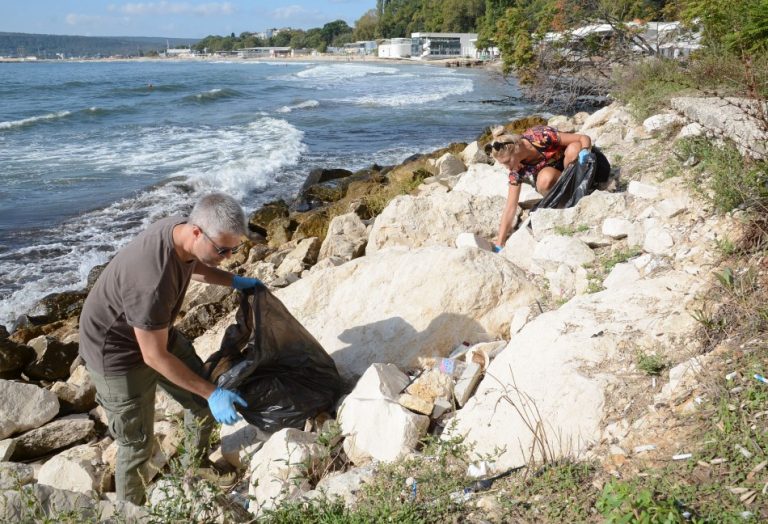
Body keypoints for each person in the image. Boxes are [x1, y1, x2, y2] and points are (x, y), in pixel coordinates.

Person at [78, 192, 263, 504]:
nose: (229, 255)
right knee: (137, 444)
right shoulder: (151, 280)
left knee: (202, 403)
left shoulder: (182, 234)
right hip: (116, 354)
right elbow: (152, 356)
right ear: (196, 231)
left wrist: (235, 281)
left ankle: (195, 468)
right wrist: (212, 393)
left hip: (152, 330)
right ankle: (130, 513)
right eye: (223, 249)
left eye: (234, 249)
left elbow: (196, 265)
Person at [485, 124, 593, 251]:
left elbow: (583, 138)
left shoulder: (541, 137)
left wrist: (585, 150)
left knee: (574, 147)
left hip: (572, 166)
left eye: (508, 161)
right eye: (503, 164)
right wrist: (500, 242)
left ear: (516, 149)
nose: (507, 167)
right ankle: (567, 201)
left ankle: (582, 189)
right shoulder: (516, 170)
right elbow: (510, 206)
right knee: (544, 179)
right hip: (554, 180)